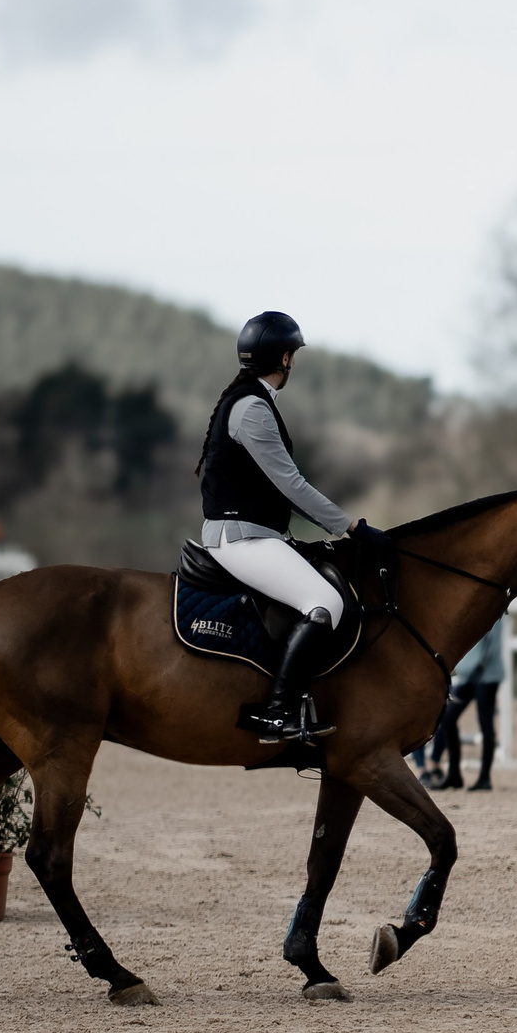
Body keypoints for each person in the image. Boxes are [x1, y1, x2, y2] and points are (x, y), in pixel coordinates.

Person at [197, 311, 361, 742]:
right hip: (241, 538)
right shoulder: (252, 408)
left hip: (257, 535)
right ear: (285, 359)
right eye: (293, 357)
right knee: (325, 603)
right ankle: (275, 714)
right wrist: (351, 526)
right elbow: (291, 486)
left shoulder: (251, 400)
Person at [431, 616, 506, 791]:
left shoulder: (496, 613)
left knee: (485, 723)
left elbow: (492, 645)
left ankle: (484, 777)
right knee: (448, 718)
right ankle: (454, 773)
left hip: (486, 676)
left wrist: (479, 665)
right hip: (468, 677)